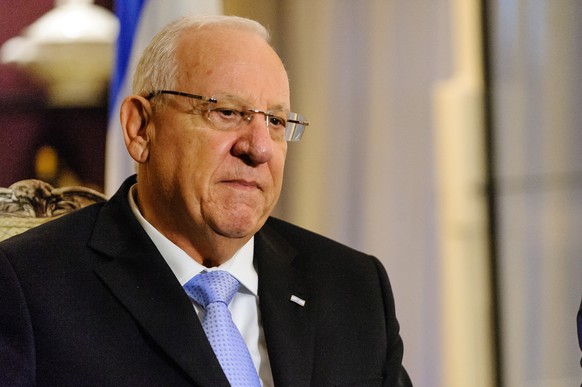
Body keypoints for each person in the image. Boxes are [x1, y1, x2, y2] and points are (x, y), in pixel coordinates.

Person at [0, 15, 412, 386]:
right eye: (227, 112)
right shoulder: (29, 289)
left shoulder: (353, 288)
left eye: (276, 121)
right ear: (140, 129)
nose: (259, 148)